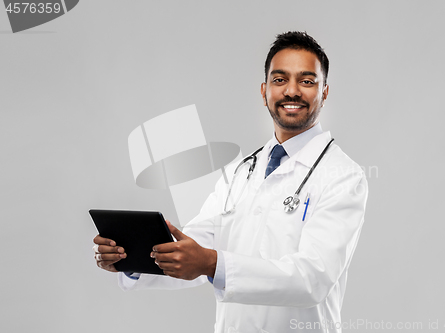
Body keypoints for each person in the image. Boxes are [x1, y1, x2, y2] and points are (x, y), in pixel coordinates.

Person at [93, 31, 368, 333]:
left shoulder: (343, 175)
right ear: (264, 91)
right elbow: (197, 246)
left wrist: (212, 264)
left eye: (306, 81)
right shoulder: (241, 171)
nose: (292, 91)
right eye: (279, 80)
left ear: (324, 92)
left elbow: (312, 278)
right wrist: (131, 259)